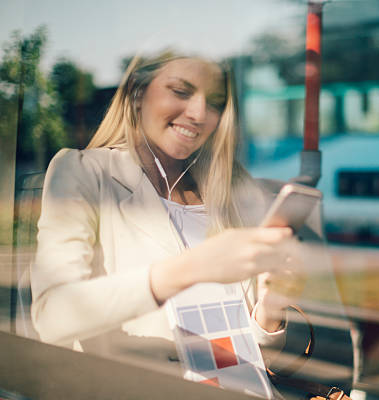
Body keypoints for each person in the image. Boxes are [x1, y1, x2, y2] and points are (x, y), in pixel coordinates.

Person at [31, 51, 300, 373]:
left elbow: (257, 360)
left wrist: (270, 309)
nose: (199, 113)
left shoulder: (231, 188)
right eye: (181, 92)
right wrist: (189, 269)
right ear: (137, 93)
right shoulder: (84, 172)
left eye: (214, 102)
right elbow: (52, 316)